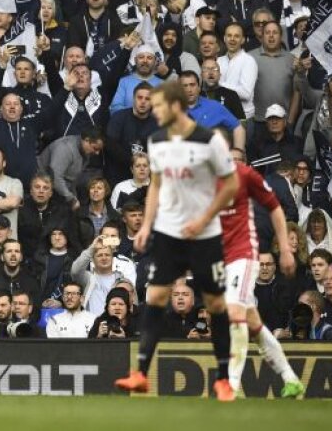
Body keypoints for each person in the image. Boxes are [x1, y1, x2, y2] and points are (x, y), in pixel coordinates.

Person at [115, 80, 239, 401]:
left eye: (158, 106)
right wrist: (147, 225)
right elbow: (156, 184)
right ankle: (141, 374)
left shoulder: (209, 140)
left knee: (215, 304)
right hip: (169, 233)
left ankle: (223, 378)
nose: (153, 113)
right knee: (155, 297)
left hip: (204, 235)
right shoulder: (156, 141)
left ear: (174, 106)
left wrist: (203, 218)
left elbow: (230, 185)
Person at [219, 161, 305, 397]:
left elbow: (275, 207)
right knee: (255, 326)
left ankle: (232, 385)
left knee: (235, 315)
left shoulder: (244, 174)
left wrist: (286, 249)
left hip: (244, 253)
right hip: (222, 258)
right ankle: (291, 378)